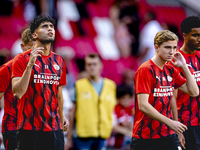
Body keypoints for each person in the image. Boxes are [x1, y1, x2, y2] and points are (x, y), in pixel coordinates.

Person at [130, 30, 199, 150]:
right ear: (156, 47)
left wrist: (183, 66)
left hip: (168, 135)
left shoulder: (170, 69)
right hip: (145, 137)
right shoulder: (145, 70)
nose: (172, 52)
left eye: (174, 47)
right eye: (167, 47)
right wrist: (170, 122)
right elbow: (143, 105)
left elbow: (194, 92)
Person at [11, 14, 68, 150]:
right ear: (34, 35)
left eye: (52, 27)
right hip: (28, 129)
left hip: (54, 129)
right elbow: (17, 93)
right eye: (44, 26)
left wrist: (62, 115)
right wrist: (30, 65)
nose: (50, 29)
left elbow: (58, 94)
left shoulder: (59, 61)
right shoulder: (21, 59)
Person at [66, 53, 116, 150]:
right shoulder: (79, 85)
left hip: (103, 134)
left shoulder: (111, 86)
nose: (92, 67)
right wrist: (69, 137)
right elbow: (72, 112)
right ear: (85, 67)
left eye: (94, 64)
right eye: (89, 64)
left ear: (101, 66)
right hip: (83, 135)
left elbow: (111, 110)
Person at [0, 28, 34, 150]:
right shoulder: (7, 69)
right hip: (14, 128)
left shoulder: (43, 69)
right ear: (22, 46)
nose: (33, 53)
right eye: (30, 48)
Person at [171, 16, 200, 150]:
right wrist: (178, 129)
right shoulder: (176, 60)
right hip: (187, 124)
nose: (199, 38)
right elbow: (172, 97)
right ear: (185, 36)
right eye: (195, 35)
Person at [109, 84, 134, 150]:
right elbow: (114, 126)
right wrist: (129, 133)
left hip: (128, 142)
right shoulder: (114, 109)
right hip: (115, 142)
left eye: (129, 98)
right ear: (118, 99)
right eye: (124, 99)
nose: (127, 101)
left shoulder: (131, 109)